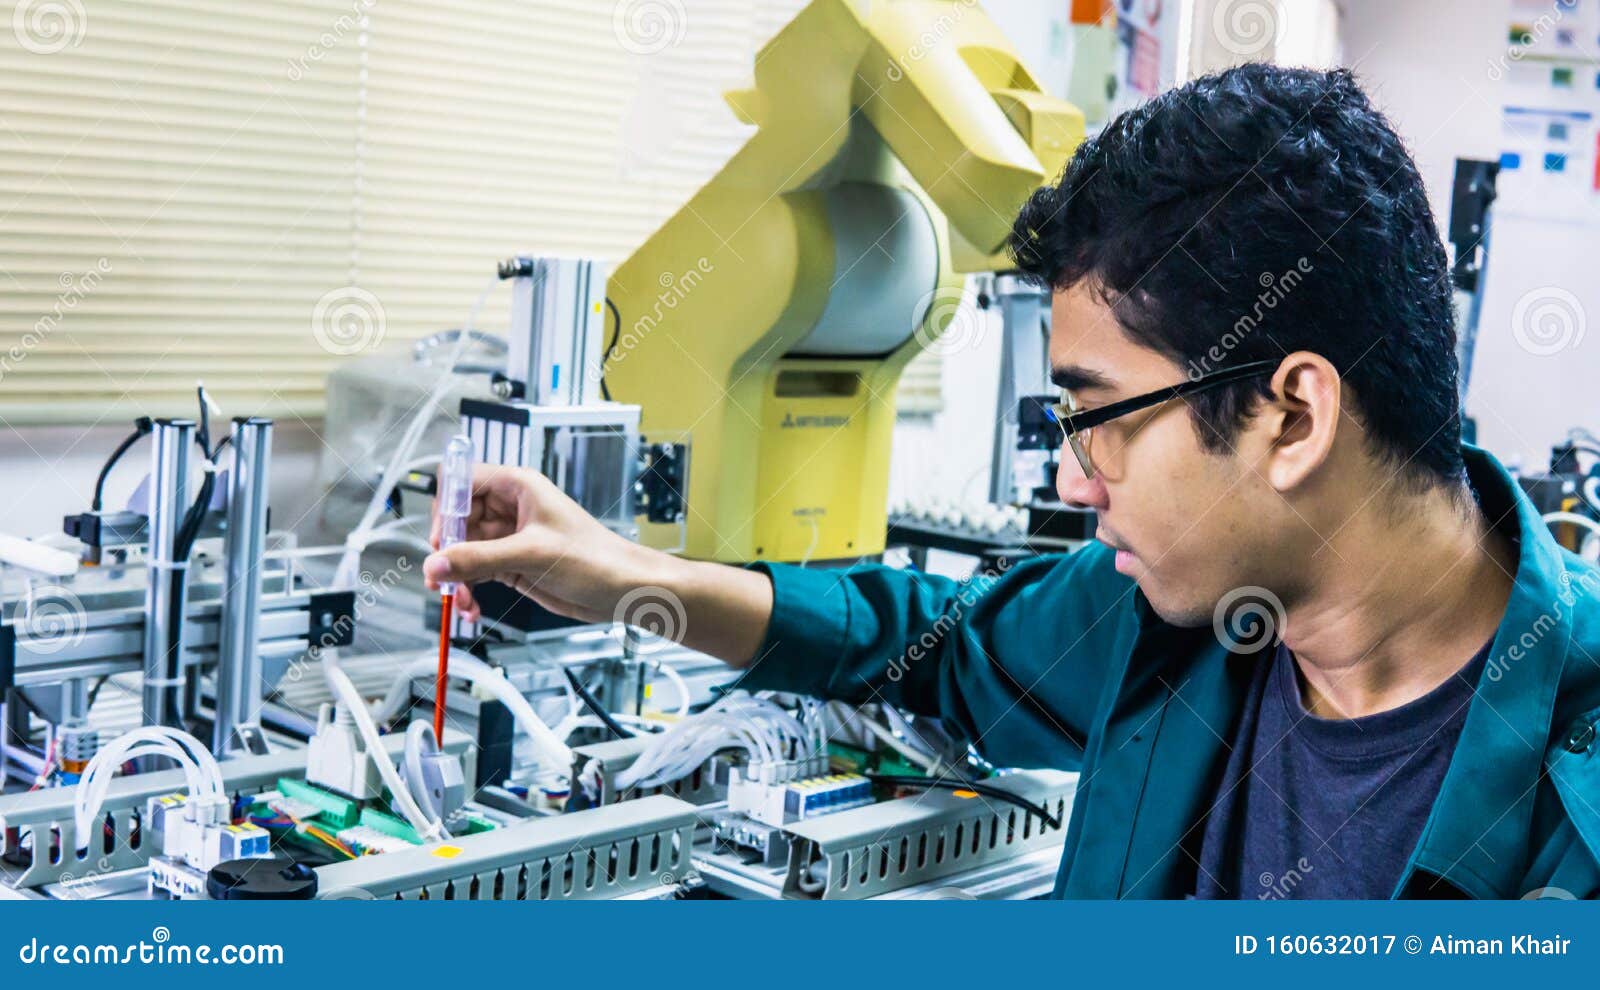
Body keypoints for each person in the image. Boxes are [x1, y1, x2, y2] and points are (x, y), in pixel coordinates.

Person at [423, 64, 1600, 899]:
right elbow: (926, 642)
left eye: (1097, 419)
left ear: (1290, 416)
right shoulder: (1166, 623)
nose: (1078, 482)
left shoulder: (1570, 801)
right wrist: (626, 578)